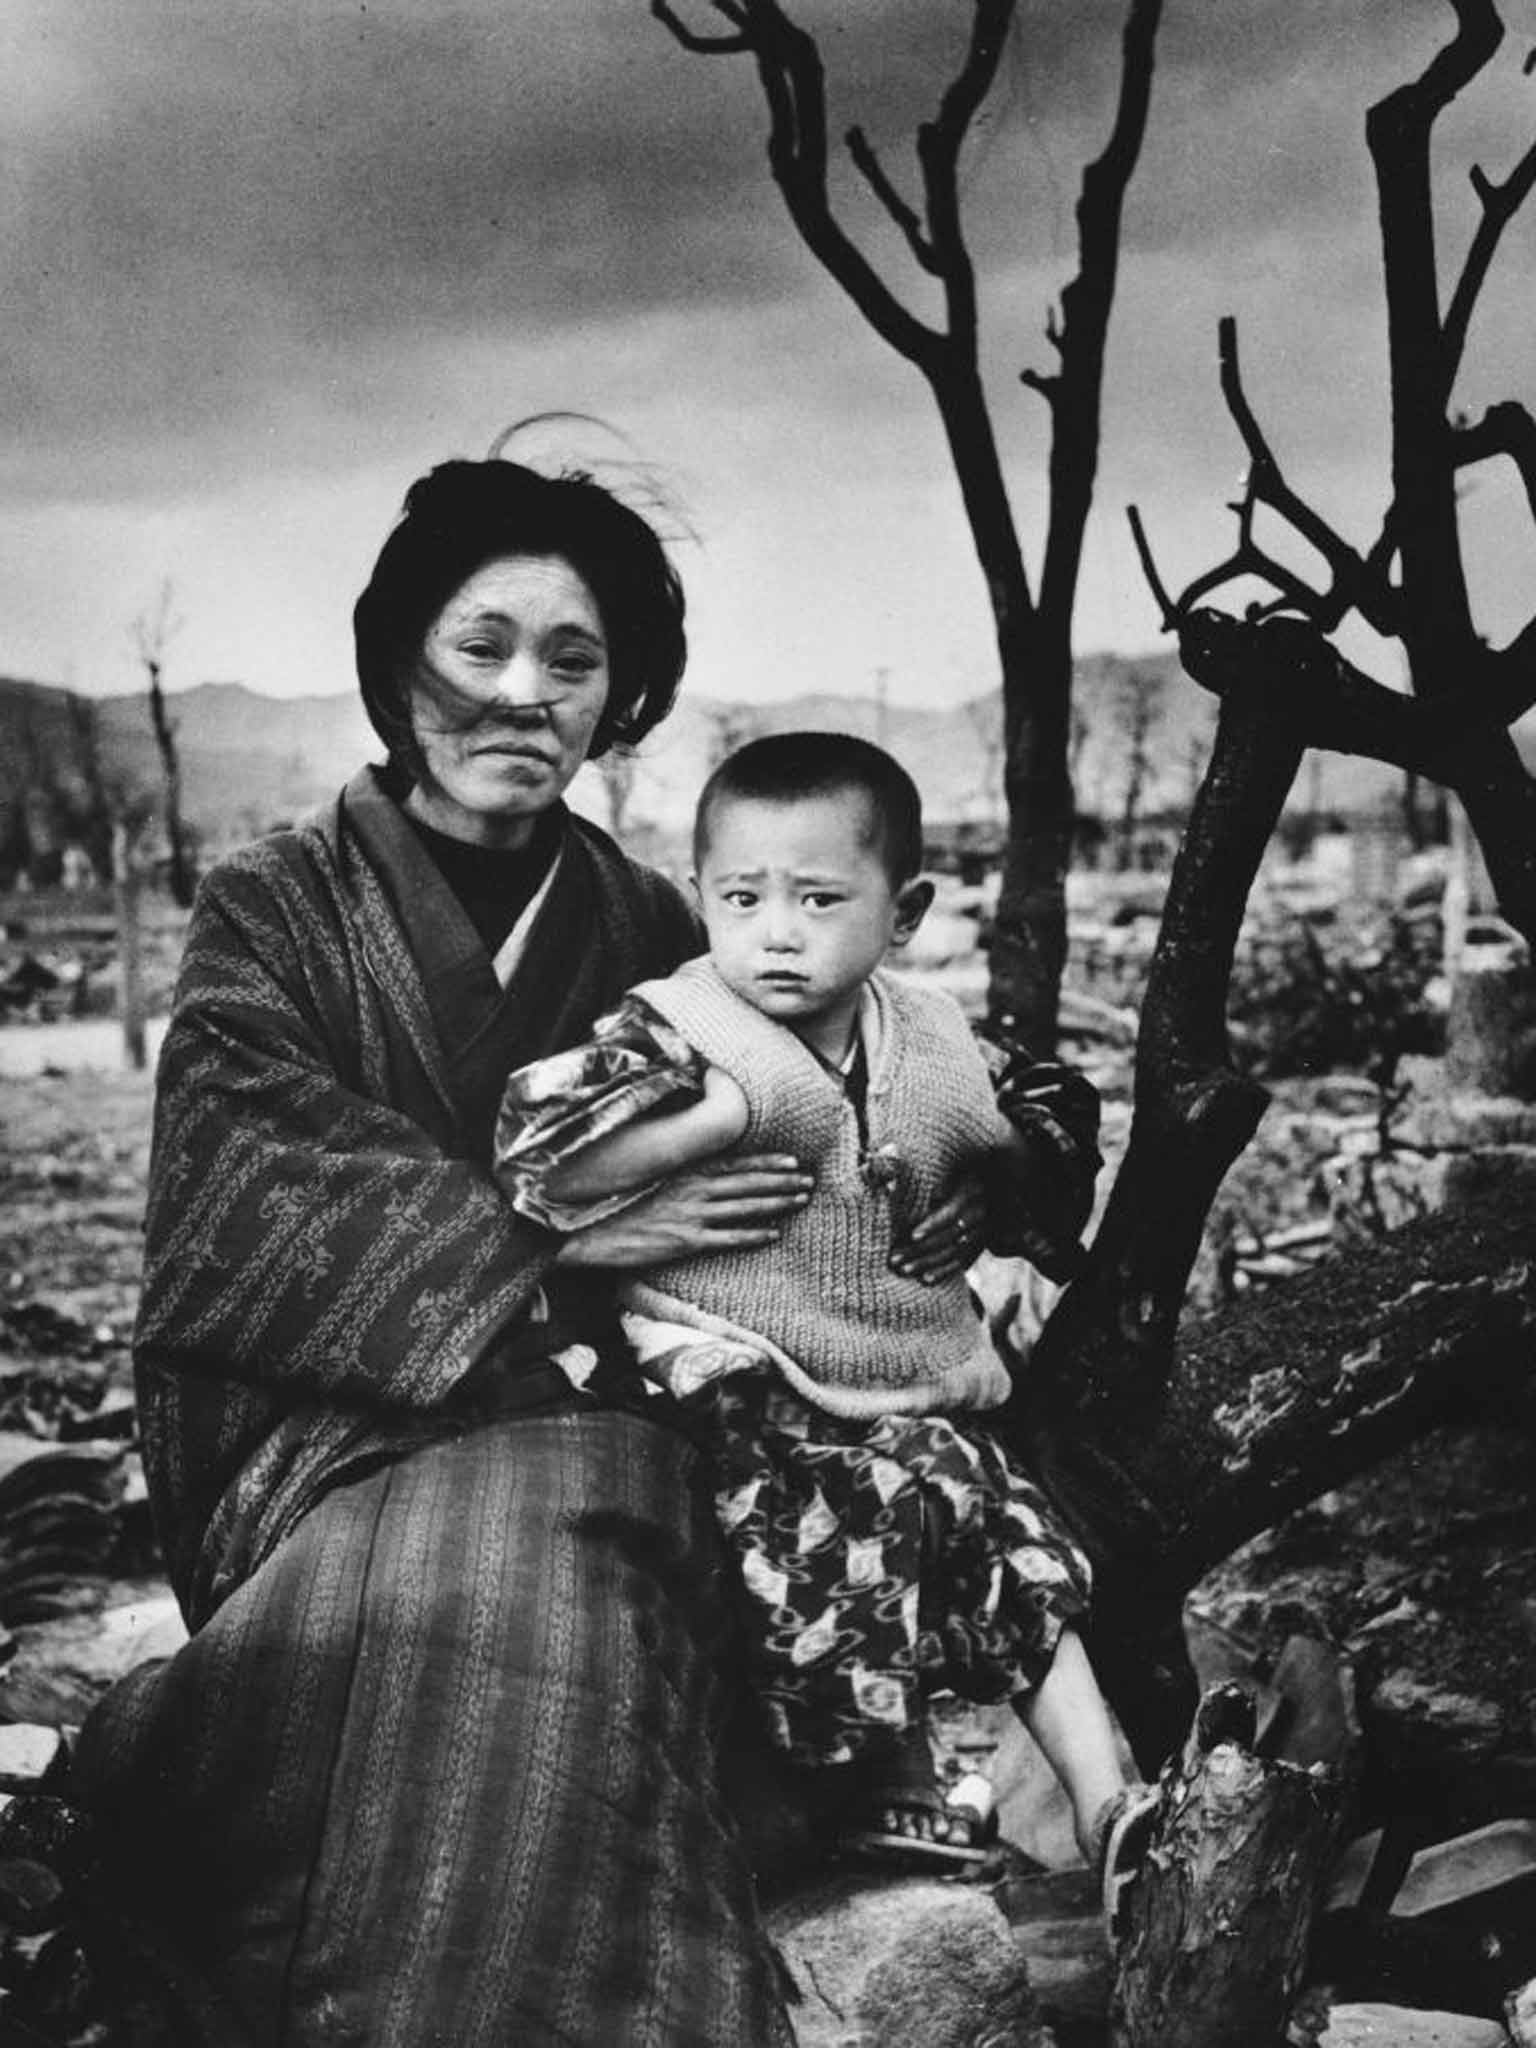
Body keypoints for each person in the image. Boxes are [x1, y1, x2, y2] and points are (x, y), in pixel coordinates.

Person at [70, 452, 837, 2047]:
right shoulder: (276, 908)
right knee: (510, 1573)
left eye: (576, 661)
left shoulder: (645, 925)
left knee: (570, 1546)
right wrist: (574, 1238)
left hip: (598, 1426)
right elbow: (251, 1191)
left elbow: (831, 1061)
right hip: (317, 1441)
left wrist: (1000, 1172)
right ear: (398, 656)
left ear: (620, 697)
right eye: (479, 644)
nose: (521, 695)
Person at [496, 732, 1158, 1913]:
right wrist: (710, 1119)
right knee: (878, 1499)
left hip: (886, 1364)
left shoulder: (936, 1033)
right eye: (742, 898)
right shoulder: (678, 1023)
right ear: (700, 897)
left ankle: (1116, 1814)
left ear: (903, 912)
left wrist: (992, 1189)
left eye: (818, 898)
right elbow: (539, 1163)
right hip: (725, 1365)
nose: (777, 932)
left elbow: (1039, 1132)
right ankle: (877, 1780)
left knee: (1007, 1526)